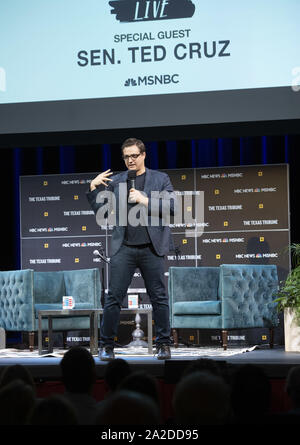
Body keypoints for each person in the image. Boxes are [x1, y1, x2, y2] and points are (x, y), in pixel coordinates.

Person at [87, 137, 176, 361]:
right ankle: (107, 346)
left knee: (159, 298)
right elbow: (103, 213)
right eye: (126, 157)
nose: (130, 160)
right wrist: (93, 187)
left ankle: (164, 344)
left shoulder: (160, 179)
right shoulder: (117, 181)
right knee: (113, 298)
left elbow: (172, 207)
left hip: (151, 248)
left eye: (134, 155)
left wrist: (144, 200)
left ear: (143, 155)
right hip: (123, 248)